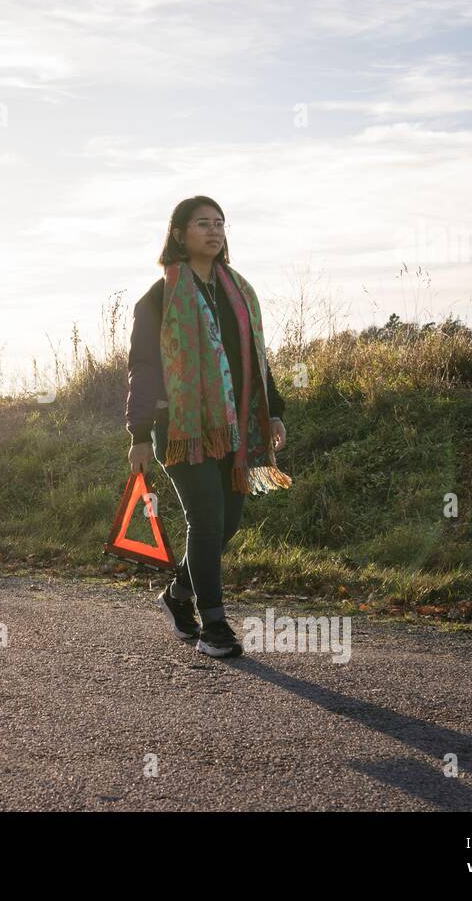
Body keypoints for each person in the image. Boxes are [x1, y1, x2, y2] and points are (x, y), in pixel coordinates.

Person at [124, 196, 293, 658]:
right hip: (179, 429)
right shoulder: (158, 299)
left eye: (220, 224)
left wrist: (272, 410)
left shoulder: (239, 292)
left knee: (228, 522)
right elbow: (143, 367)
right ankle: (214, 627)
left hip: (236, 428)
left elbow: (258, 359)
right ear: (179, 234)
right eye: (203, 224)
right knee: (206, 520)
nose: (214, 232)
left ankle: (178, 594)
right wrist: (138, 434)